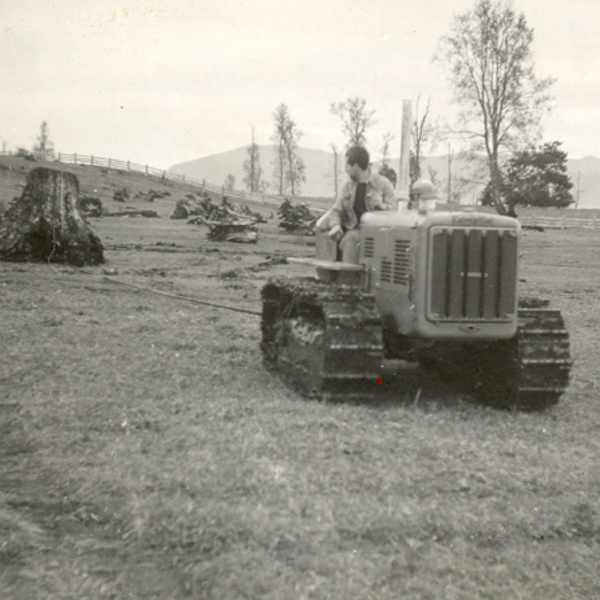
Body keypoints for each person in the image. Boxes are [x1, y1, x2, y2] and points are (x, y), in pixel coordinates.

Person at [316, 145, 397, 263]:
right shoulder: (347, 187)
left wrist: (383, 206)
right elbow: (336, 211)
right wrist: (336, 225)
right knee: (350, 239)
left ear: (356, 166)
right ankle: (343, 278)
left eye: (347, 165)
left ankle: (347, 279)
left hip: (379, 233)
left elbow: (398, 213)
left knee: (351, 240)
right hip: (356, 230)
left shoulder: (383, 184)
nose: (345, 169)